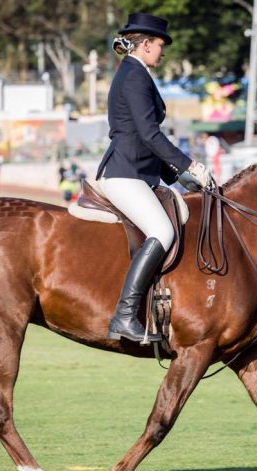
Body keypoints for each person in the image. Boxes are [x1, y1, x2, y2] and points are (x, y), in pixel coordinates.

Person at [96, 12, 211, 343]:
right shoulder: (134, 76)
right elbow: (148, 134)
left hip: (136, 170)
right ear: (145, 44)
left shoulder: (136, 73)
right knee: (161, 230)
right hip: (124, 173)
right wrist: (189, 166)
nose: (162, 51)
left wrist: (176, 179)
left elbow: (142, 138)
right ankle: (125, 315)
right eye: (160, 45)